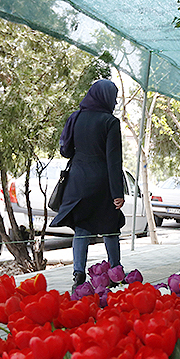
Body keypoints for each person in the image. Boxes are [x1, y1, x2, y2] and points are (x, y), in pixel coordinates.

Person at [51, 79, 126, 288]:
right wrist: (117, 192)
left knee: (82, 229)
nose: (115, 102)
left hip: (78, 181)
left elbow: (65, 151)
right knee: (110, 227)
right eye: (114, 98)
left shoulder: (76, 117)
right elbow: (114, 159)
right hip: (102, 182)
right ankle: (116, 271)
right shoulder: (110, 122)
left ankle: (78, 274)